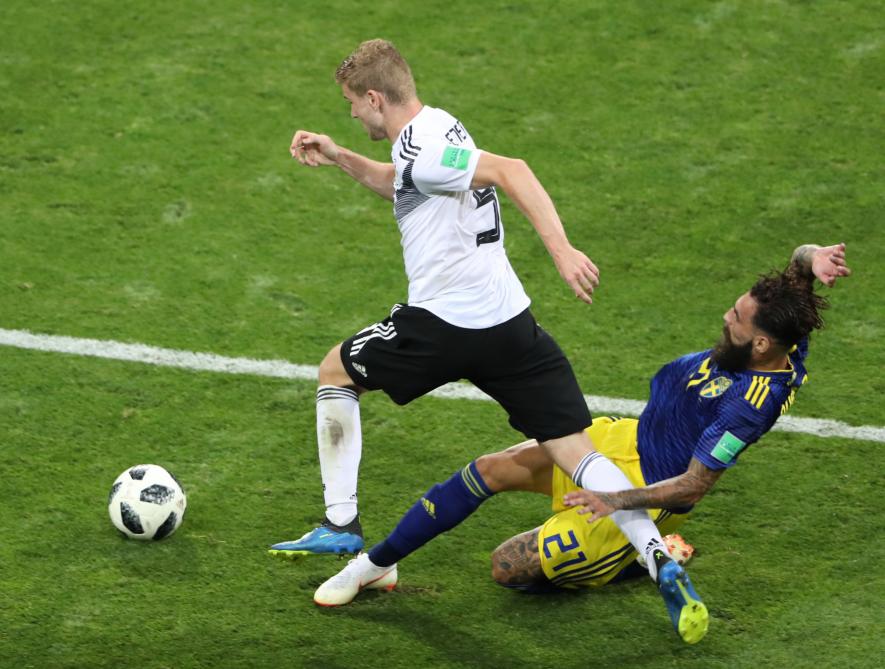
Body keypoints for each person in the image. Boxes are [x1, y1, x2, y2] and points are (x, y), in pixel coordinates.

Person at [271, 38, 688, 607]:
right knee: (576, 451)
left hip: (445, 325)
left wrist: (562, 251)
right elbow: (402, 183)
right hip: (509, 324)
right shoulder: (436, 129)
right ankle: (657, 555)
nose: (348, 111)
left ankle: (340, 524)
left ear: (374, 97)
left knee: (335, 372)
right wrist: (340, 155)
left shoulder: (426, 151)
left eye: (350, 102)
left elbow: (512, 170)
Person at [312, 243, 850, 645]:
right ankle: (374, 565)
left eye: (734, 319)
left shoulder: (750, 405)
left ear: (759, 344)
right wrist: (812, 259)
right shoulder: (780, 338)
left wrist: (612, 501)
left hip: (645, 490)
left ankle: (629, 560)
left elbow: (692, 486)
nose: (724, 319)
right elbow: (798, 270)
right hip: (621, 439)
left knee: (507, 568)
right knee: (490, 470)